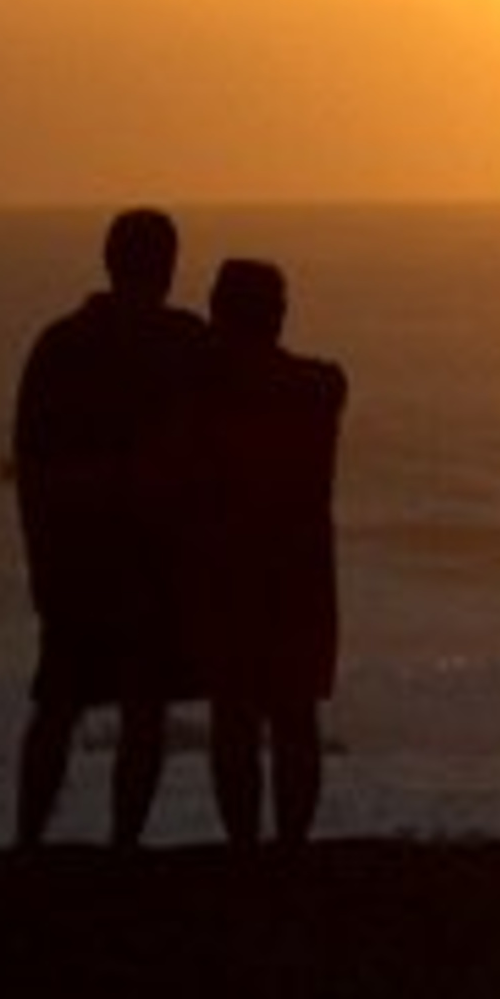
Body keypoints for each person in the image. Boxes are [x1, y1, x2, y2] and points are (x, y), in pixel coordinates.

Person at [11, 206, 208, 846]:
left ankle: (29, 839)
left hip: (80, 560)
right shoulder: (184, 343)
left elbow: (31, 462)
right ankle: (124, 842)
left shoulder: (61, 344)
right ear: (168, 266)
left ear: (109, 261)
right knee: (140, 709)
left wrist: (41, 558)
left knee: (59, 706)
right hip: (148, 560)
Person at [190, 255, 348, 848]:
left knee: (234, 716)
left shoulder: (208, 393)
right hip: (300, 575)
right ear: (278, 315)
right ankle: (291, 847)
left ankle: (244, 847)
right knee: (295, 715)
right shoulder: (319, 387)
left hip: (231, 573)